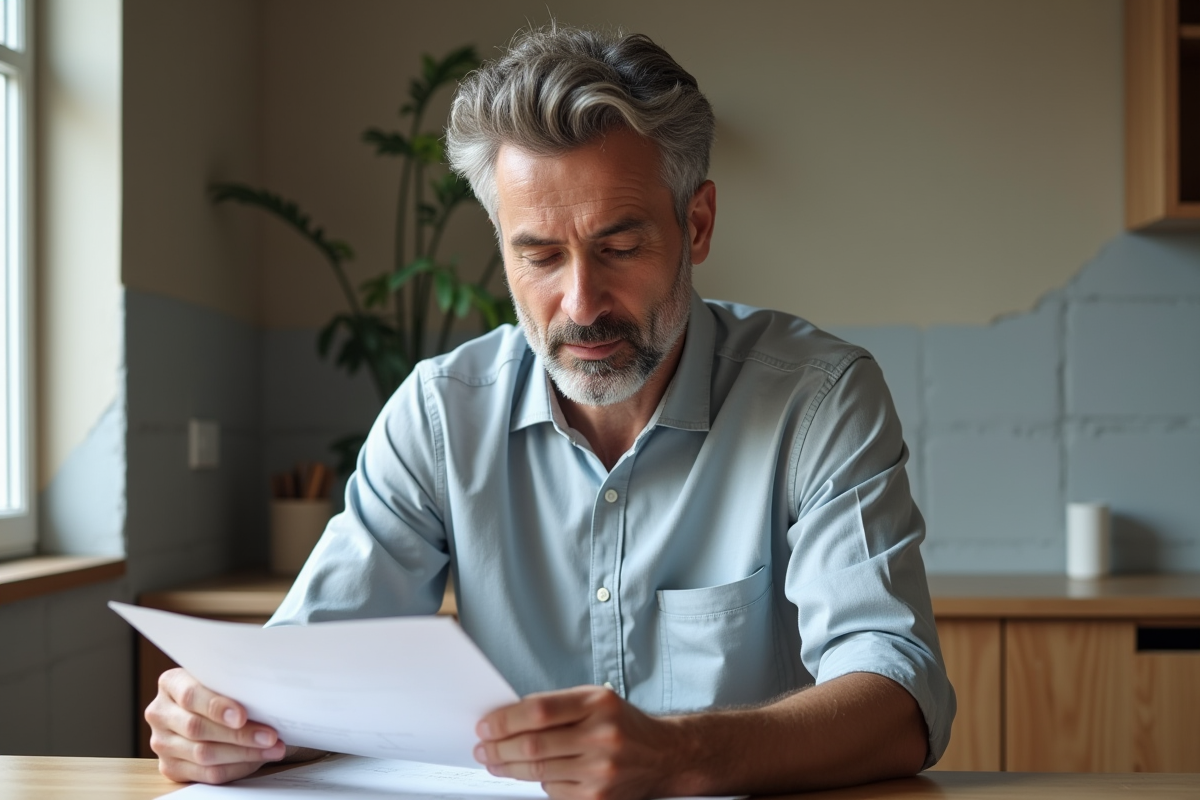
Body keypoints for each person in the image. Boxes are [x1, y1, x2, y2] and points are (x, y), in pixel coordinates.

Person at [145, 25, 955, 798]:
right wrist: (224, 723)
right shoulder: (439, 415)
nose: (581, 304)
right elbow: (304, 679)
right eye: (538, 255)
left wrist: (678, 756)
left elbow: (900, 699)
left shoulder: (819, 400)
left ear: (697, 224)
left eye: (620, 247)